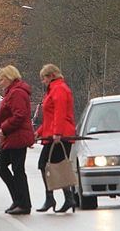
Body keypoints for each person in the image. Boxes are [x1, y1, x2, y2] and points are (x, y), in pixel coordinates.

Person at [34, 63, 76, 213]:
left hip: (60, 135)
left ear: (51, 76)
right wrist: (39, 131)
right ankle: (66, 197)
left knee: (47, 165)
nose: (42, 81)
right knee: (56, 166)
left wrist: (57, 133)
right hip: (54, 133)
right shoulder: (54, 89)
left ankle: (54, 197)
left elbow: (60, 112)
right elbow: (50, 117)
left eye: (43, 78)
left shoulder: (58, 89)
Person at [0, 65, 35, 215]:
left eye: (2, 79)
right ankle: (19, 200)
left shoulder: (16, 92)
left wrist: (4, 128)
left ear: (9, 77)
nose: (0, 82)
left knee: (16, 170)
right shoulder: (12, 92)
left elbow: (19, 115)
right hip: (12, 137)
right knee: (4, 166)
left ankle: (23, 203)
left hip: (16, 136)